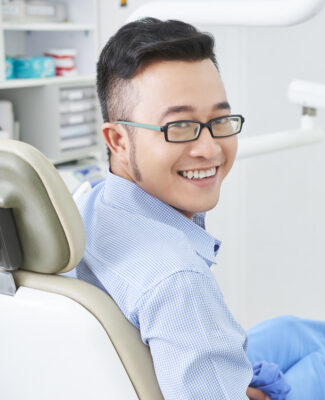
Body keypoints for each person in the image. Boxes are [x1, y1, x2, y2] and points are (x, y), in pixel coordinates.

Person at [67, 18, 269, 399]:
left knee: (292, 331)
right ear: (117, 140)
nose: (209, 149)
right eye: (178, 127)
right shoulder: (177, 279)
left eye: (219, 120)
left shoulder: (89, 202)